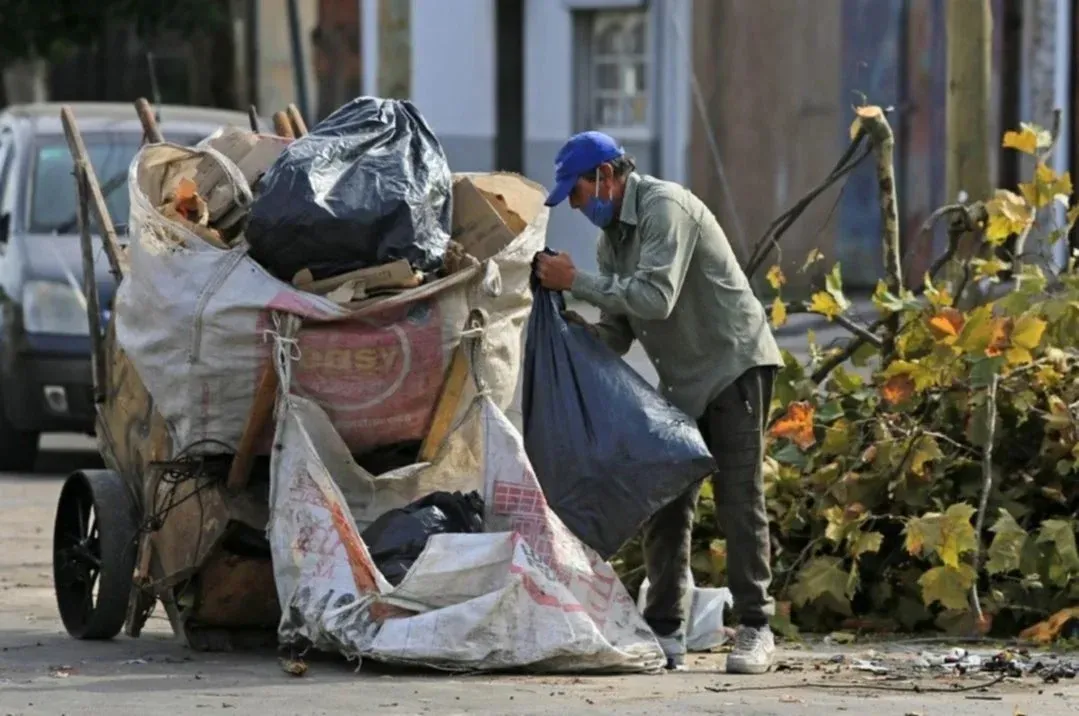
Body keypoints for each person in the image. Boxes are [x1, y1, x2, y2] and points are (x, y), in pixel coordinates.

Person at [535, 131, 784, 674]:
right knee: (666, 495)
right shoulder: (611, 243)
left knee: (739, 499)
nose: (577, 208)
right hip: (682, 382)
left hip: (734, 365)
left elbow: (656, 298)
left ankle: (756, 628)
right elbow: (618, 332)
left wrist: (576, 281)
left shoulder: (663, 207)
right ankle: (666, 630)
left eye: (576, 194)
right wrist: (568, 332)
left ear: (605, 176)